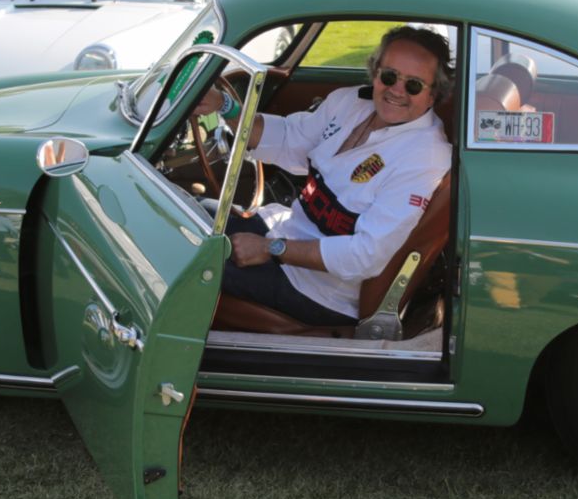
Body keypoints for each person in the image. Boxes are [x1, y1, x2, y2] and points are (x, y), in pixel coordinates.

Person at [191, 26, 453, 327]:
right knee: (183, 211)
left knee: (183, 257)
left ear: (433, 94)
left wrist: (270, 249)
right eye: (390, 76)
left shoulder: (425, 157)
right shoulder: (350, 102)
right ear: (376, 72)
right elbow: (290, 139)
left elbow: (364, 255)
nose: (396, 91)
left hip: (319, 291)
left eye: (414, 85)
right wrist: (225, 106)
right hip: (284, 230)